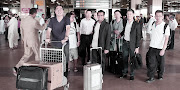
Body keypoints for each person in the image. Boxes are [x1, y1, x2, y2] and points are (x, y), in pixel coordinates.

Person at [13, 8, 47, 76]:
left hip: (26, 41)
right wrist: (45, 24)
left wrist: (23, 39)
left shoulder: (23, 20)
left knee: (26, 55)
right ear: (34, 13)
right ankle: (38, 70)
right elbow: (42, 28)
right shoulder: (34, 21)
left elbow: (21, 31)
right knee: (37, 54)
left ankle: (17, 67)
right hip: (34, 41)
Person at [146, 10, 170, 83]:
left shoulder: (165, 26)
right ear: (155, 16)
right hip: (152, 46)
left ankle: (160, 75)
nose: (158, 17)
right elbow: (148, 31)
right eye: (156, 16)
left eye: (160, 16)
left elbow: (166, 39)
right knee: (151, 62)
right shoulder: (153, 23)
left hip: (160, 48)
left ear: (162, 17)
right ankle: (151, 77)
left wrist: (163, 49)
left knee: (161, 63)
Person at [46, 5, 70, 77]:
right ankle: (56, 74)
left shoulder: (66, 19)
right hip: (55, 42)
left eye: (60, 9)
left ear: (63, 11)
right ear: (55, 11)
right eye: (57, 9)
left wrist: (66, 37)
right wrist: (47, 37)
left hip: (64, 42)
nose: (59, 11)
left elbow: (68, 28)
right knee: (56, 58)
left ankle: (65, 74)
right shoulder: (52, 20)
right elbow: (49, 30)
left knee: (65, 57)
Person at [118, 9, 141, 80]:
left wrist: (137, 47)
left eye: (130, 14)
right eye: (128, 14)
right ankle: (124, 72)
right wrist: (120, 34)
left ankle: (132, 74)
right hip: (125, 43)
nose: (129, 15)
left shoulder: (136, 24)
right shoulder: (125, 22)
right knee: (124, 59)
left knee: (132, 60)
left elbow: (138, 36)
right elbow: (125, 30)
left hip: (132, 45)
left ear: (133, 15)